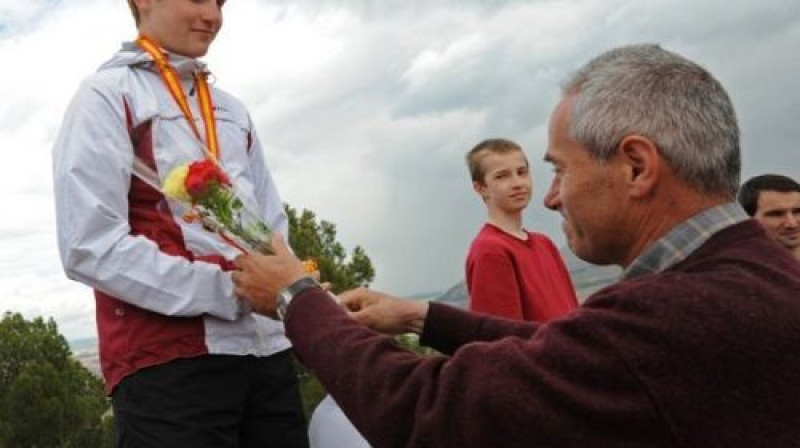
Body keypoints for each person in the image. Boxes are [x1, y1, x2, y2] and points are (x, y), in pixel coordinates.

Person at [232, 44, 800, 447]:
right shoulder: (754, 275)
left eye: (559, 170)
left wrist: (295, 297)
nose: (550, 197)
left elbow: (430, 410)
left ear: (636, 166)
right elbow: (568, 348)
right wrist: (420, 316)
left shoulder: (679, 313)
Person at [52, 0, 308, 445]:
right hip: (171, 365)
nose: (214, 15)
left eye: (222, 2)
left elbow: (272, 227)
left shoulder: (233, 110)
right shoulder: (107, 95)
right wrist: (231, 290)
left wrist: (290, 292)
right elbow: (88, 243)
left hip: (269, 352)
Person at [464, 138, 578, 320]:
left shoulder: (545, 244)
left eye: (522, 172)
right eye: (502, 176)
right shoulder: (490, 250)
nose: (517, 183)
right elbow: (501, 338)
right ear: (481, 188)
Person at [737, 174, 800, 259]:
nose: (792, 224)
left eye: (797, 212)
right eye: (776, 214)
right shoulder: (735, 268)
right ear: (748, 220)